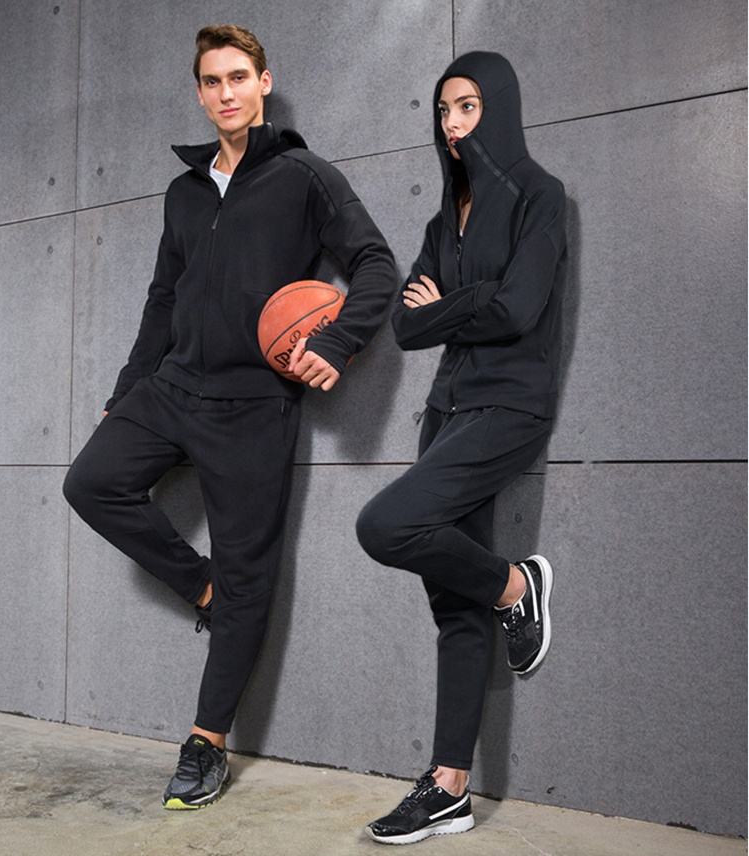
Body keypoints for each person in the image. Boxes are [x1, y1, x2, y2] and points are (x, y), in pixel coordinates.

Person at [63, 24, 396, 810]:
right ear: (201, 93)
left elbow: (376, 264)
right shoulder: (183, 192)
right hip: (173, 387)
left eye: (238, 77)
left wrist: (338, 342)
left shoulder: (305, 176)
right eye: (212, 81)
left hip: (254, 405)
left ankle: (206, 743)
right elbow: (162, 297)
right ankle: (206, 592)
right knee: (90, 483)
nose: (226, 92)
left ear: (264, 82)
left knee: (252, 573)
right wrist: (129, 385)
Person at [355, 51, 566, 845]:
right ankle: (449, 789)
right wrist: (467, 303)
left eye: (468, 106)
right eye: (444, 110)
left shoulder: (541, 197)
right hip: (445, 411)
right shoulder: (443, 221)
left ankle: (515, 585)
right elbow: (407, 327)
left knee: (384, 526)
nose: (452, 123)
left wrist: (455, 301)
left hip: (507, 407)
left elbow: (518, 310)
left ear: (499, 107)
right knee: (452, 604)